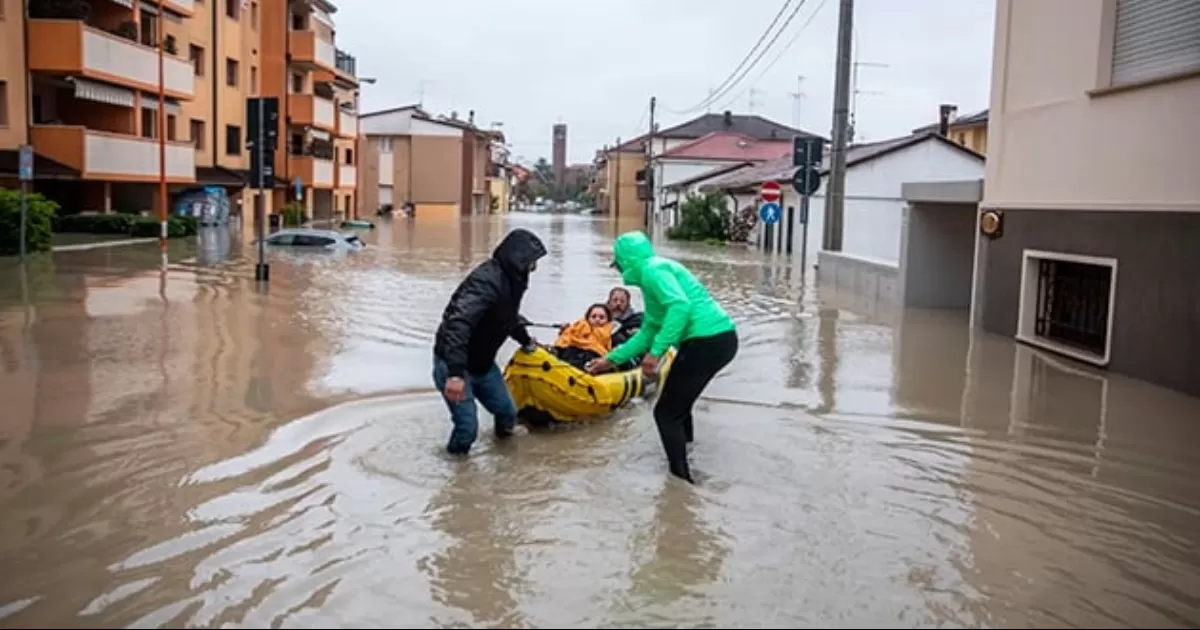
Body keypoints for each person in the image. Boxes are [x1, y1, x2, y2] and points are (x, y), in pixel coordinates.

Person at [586, 230, 738, 484]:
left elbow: (680, 307)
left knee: (666, 413)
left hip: (707, 340)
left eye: (618, 264)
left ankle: (680, 484)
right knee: (679, 406)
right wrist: (610, 359)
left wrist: (655, 353)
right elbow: (648, 330)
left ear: (626, 260)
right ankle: (687, 453)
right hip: (717, 339)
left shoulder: (652, 271)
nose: (618, 270)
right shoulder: (654, 274)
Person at [432, 228, 548, 455]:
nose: (534, 268)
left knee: (507, 413)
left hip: (483, 364)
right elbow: (458, 324)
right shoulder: (485, 282)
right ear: (519, 259)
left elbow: (508, 317)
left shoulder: (513, 281)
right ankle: (456, 470)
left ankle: (504, 456)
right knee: (467, 428)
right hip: (455, 363)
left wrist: (526, 341)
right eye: (532, 262)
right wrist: (455, 374)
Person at [552, 303, 614, 370]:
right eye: (593, 317)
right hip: (570, 354)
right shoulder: (578, 328)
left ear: (608, 320)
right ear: (588, 318)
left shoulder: (610, 333)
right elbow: (564, 340)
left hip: (591, 359)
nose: (597, 319)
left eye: (601, 317)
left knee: (590, 354)